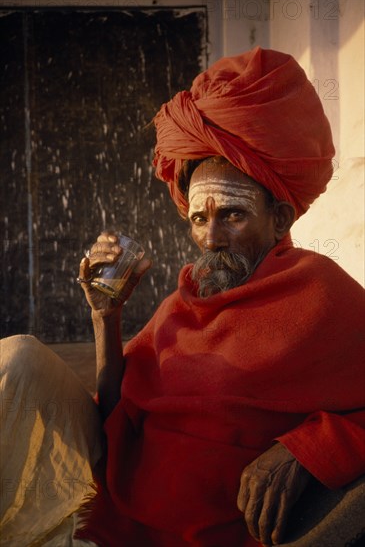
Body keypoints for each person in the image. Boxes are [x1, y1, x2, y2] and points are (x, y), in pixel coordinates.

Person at [0, 47, 364, 547]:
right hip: (116, 493)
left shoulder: (323, 294)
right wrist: (106, 317)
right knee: (15, 357)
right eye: (199, 218)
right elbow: (117, 411)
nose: (211, 238)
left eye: (232, 216)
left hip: (201, 528)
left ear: (279, 219)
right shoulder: (190, 292)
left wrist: (304, 448)